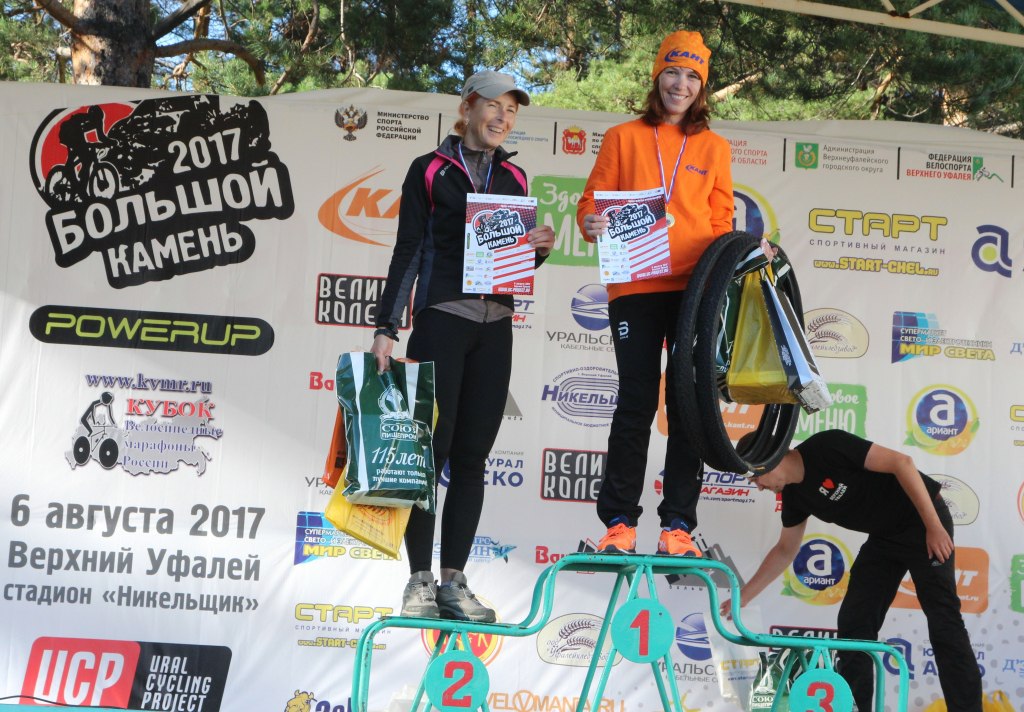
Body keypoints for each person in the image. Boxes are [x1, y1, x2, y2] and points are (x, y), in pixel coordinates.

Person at [372, 70, 555, 622]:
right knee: (429, 455)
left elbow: (513, 263)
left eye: (512, 110)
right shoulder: (428, 169)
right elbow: (408, 250)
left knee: (473, 458)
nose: (504, 118)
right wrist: (386, 327)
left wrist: (538, 249)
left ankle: (454, 583)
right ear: (469, 107)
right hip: (443, 320)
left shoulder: (515, 176)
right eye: (495, 106)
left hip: (496, 325)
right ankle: (419, 582)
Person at [576, 30, 734, 557]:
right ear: (656, 76)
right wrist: (591, 222)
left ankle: (678, 527)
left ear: (702, 86)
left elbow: (721, 220)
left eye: (692, 76)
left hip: (695, 290)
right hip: (635, 285)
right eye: (672, 72)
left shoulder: (715, 147)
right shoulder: (623, 136)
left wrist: (731, 263)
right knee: (636, 400)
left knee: (687, 405)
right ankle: (619, 523)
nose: (680, 84)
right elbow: (591, 202)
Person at [719, 429, 982, 712]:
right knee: (854, 625)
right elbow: (785, 550)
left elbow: (901, 463)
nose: (758, 487)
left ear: (768, 460)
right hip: (885, 537)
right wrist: (744, 596)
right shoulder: (794, 496)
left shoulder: (827, 446)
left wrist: (934, 527)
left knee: (944, 621)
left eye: (755, 478)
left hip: (923, 523)